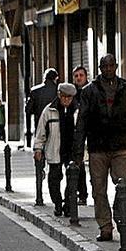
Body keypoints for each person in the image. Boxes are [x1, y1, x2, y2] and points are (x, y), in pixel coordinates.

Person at [73, 54, 126, 242]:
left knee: (122, 186)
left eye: (111, 66)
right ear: (100, 68)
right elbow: (82, 122)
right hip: (97, 148)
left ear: (116, 66)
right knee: (98, 189)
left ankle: (120, 215)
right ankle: (105, 226)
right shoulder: (89, 91)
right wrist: (78, 152)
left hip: (120, 147)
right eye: (105, 66)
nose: (108, 69)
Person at [34, 83, 80, 217]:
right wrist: (38, 148)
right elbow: (41, 131)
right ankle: (58, 203)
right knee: (54, 180)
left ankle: (68, 205)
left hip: (71, 150)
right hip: (54, 150)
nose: (66, 100)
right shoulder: (49, 110)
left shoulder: (78, 110)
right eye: (64, 97)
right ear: (59, 95)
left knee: (72, 179)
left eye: (69, 97)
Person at [26, 68, 59, 145]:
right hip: (56, 124)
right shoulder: (59, 91)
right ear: (55, 78)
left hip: (39, 124)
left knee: (40, 146)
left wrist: (37, 110)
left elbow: (28, 110)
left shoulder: (35, 91)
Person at [71, 65, 90, 205]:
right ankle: (82, 194)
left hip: (90, 133)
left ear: (86, 76)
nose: (79, 78)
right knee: (79, 164)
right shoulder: (71, 94)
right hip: (76, 134)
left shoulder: (90, 91)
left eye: (81, 75)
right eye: (76, 76)